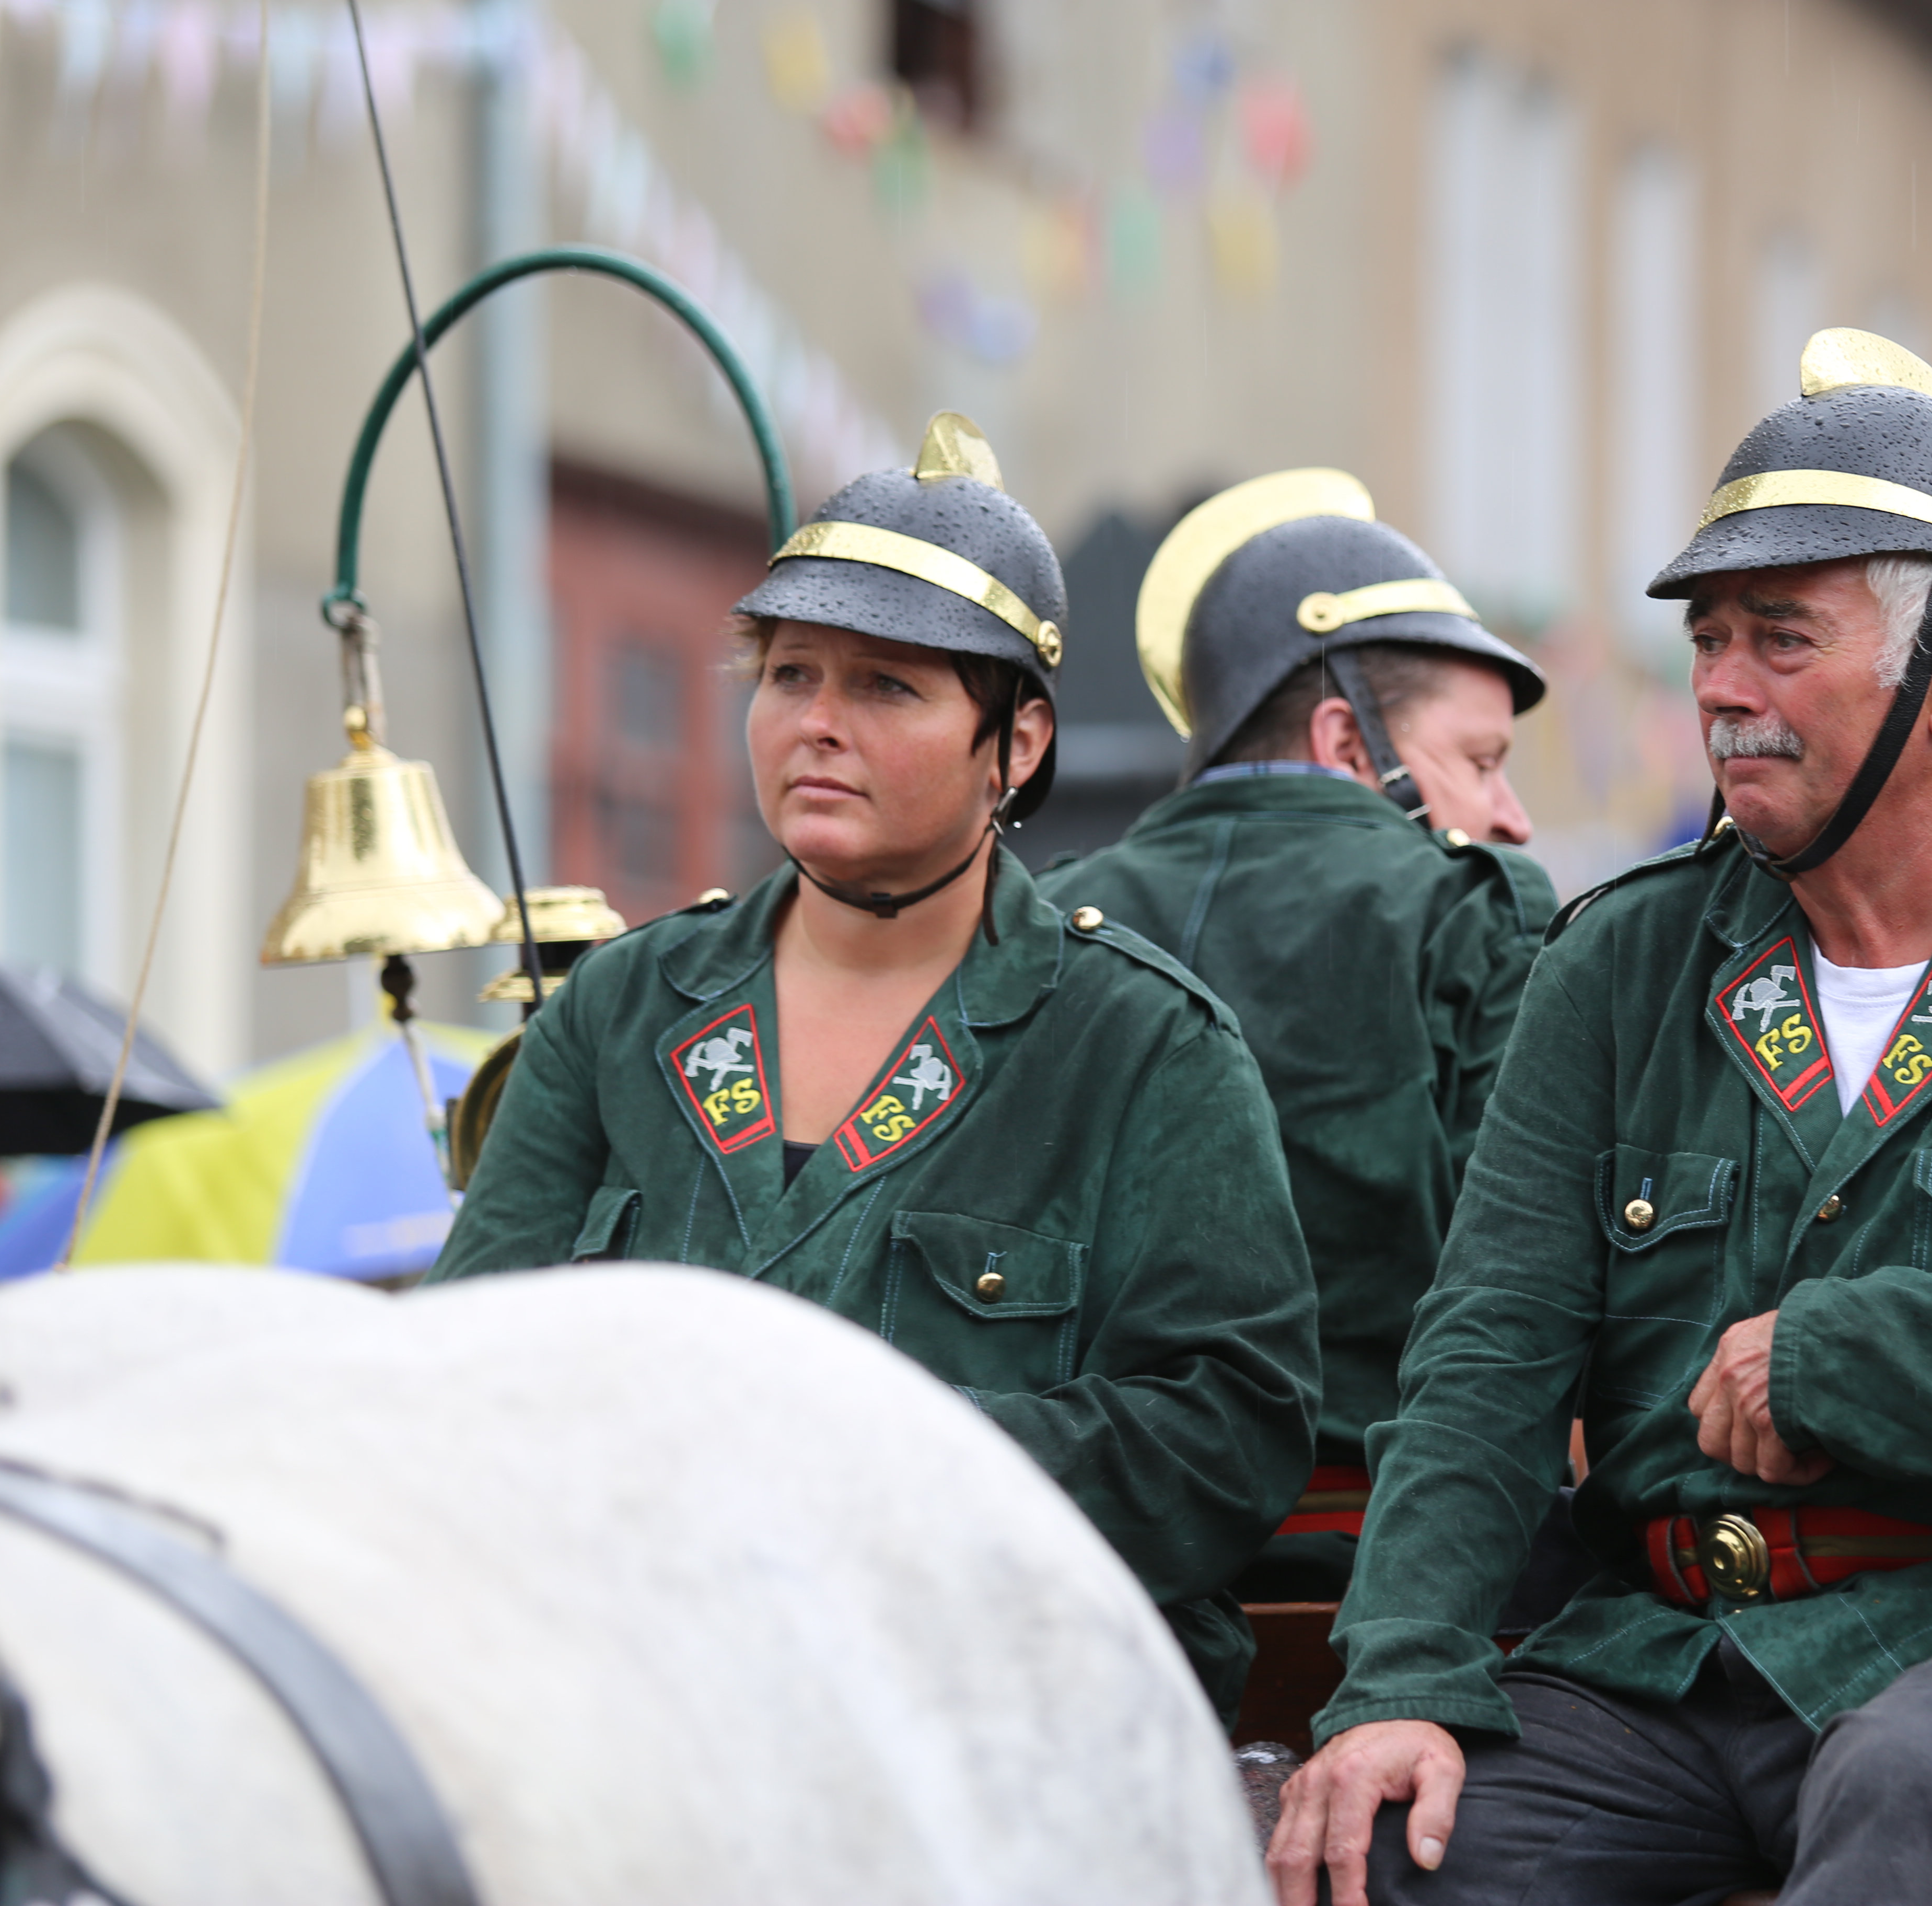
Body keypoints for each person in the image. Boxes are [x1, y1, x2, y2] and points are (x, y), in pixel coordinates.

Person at [1265, 331, 1932, 1906]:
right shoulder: (1617, 965)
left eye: (1780, 638)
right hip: (1678, 1656)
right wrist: (1399, 1685)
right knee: (1377, 1852)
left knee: (1908, 1795)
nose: (1721, 689)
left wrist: (1866, 1355)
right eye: (1710, 640)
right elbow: (1487, 1359)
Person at [432, 413, 1320, 1723]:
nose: (817, 725)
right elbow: (467, 1371)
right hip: (636, 1678)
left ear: (1017, 743)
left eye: (887, 688)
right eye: (790, 675)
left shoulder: (1141, 1044)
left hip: (998, 1704)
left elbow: (1224, 1437)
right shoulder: (622, 1009)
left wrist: (862, 1462)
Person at [1042, 470, 1555, 1602]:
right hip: (1387, 1579)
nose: (1510, 816)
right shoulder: (1472, 906)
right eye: (1480, 762)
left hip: (1093, 1573)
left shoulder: (1045, 915)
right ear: (1343, 739)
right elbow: (1533, 1300)